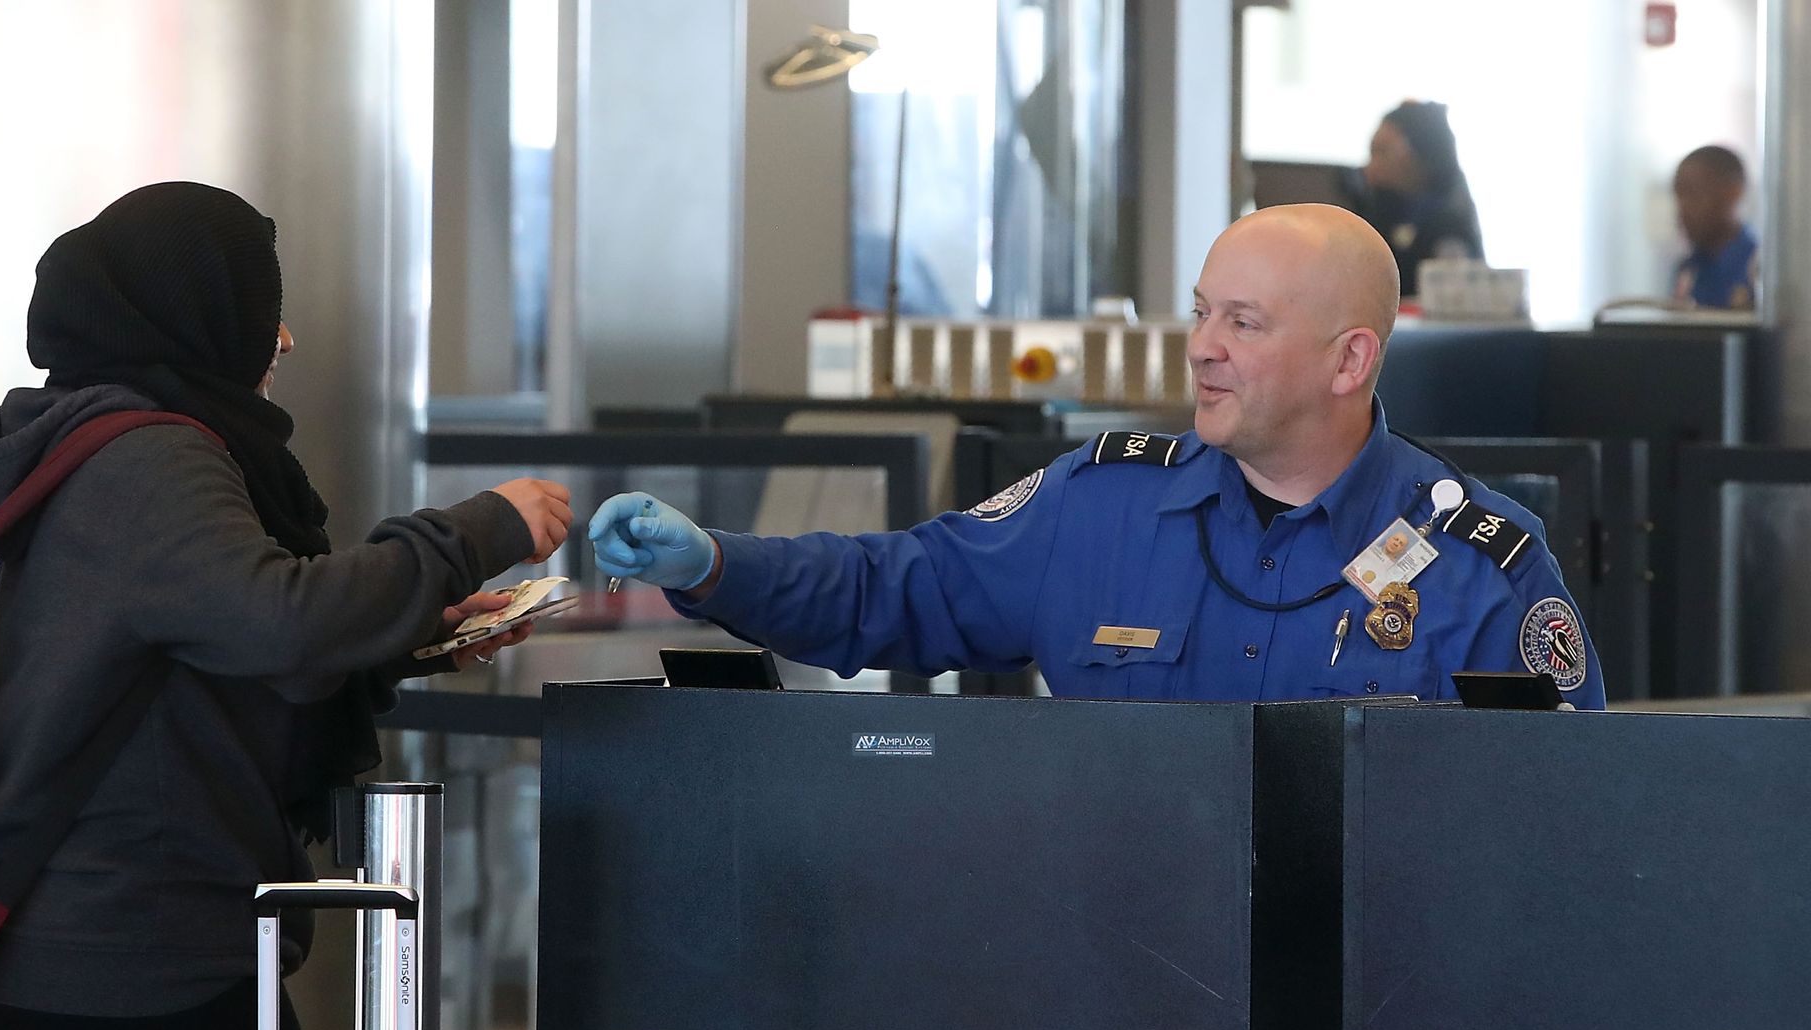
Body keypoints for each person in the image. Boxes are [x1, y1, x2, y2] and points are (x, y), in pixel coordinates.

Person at [0, 182, 572, 1030]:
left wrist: (413, 630)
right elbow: (277, 622)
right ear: (196, 312)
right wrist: (476, 531)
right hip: (127, 963)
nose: (284, 339)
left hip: (93, 946)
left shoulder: (96, 439)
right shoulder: (148, 455)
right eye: (262, 308)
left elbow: (199, 644)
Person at [587, 203, 1605, 709]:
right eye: (1202, 312)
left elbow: (1553, 837)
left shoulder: (1481, 567)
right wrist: (713, 566)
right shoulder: (1097, 504)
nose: (1202, 345)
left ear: (1350, 361)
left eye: (1243, 323)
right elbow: (886, 591)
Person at [1352, 100, 1484, 298]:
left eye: (1381, 152)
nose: (1369, 167)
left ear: (1422, 155)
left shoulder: (1450, 223)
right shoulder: (1374, 213)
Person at [1671, 144, 1758, 310]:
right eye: (1678, 196)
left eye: (1693, 193)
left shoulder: (1757, 269)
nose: (1683, 209)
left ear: (1733, 193)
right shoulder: (1688, 270)